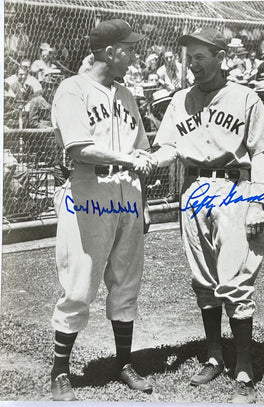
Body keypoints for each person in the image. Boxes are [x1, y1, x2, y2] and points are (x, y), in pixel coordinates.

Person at [147, 26, 264, 404]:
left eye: (200, 59)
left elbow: (260, 153)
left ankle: (243, 364)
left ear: (221, 59)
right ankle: (214, 356)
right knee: (202, 278)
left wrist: (256, 201)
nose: (193, 68)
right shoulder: (180, 100)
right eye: (190, 60)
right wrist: (146, 161)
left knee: (236, 278)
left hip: (233, 189)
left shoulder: (245, 98)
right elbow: (169, 148)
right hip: (194, 191)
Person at [50, 19, 154, 401]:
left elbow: (140, 148)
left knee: (126, 282)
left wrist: (142, 202)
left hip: (127, 192)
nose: (136, 54)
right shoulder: (72, 89)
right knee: (80, 285)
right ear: (110, 52)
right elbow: (78, 147)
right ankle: (60, 372)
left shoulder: (126, 94)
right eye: (130, 48)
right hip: (88, 187)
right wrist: (129, 160)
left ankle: (123, 363)